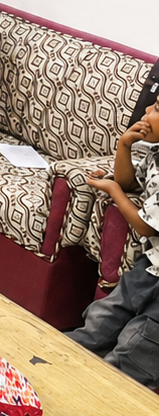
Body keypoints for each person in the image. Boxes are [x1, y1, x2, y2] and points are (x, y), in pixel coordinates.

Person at [67, 103, 159, 388]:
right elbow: (128, 181)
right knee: (97, 325)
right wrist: (124, 145)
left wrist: (114, 191)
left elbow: (146, 226)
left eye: (157, 108)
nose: (147, 109)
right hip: (150, 267)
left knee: (132, 355)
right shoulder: (156, 153)